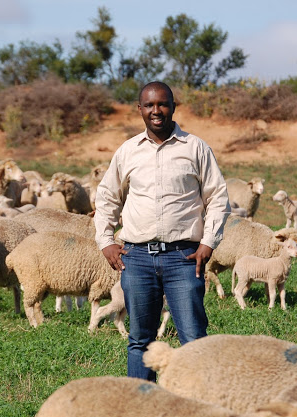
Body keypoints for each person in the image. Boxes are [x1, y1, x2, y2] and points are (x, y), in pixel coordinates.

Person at [94, 81, 230, 381]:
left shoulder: (195, 148)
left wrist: (208, 243)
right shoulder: (128, 151)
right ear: (140, 109)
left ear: (173, 106)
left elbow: (217, 198)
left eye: (163, 104)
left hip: (184, 257)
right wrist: (105, 241)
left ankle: (197, 406)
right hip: (137, 258)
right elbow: (107, 197)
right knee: (140, 340)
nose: (157, 111)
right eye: (150, 105)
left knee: (194, 339)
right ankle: (141, 408)